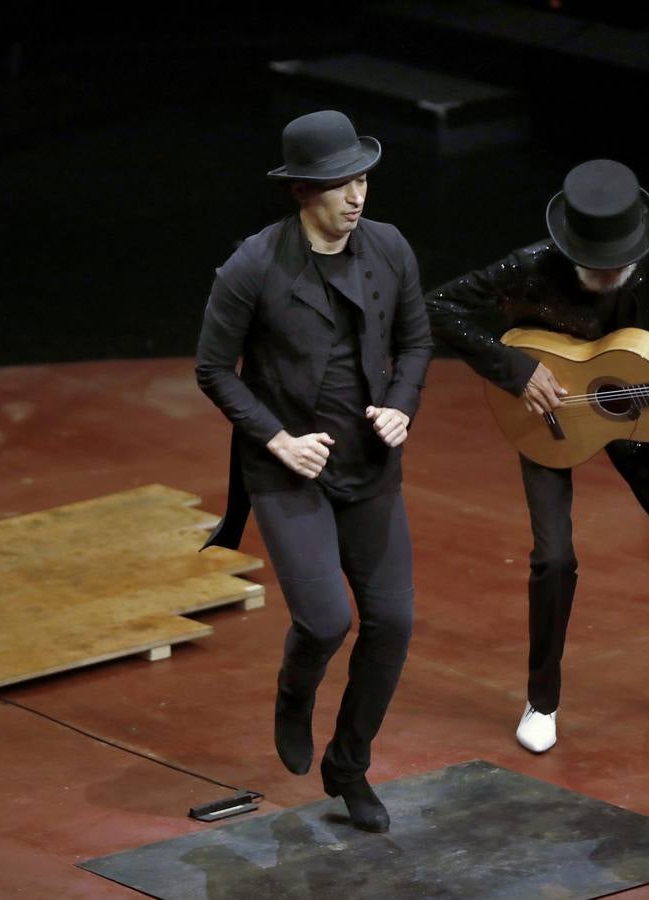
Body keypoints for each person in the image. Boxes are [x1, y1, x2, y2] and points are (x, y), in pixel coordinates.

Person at [425, 158, 649, 753]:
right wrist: (515, 369)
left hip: (631, 404)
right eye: (597, 265)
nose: (610, 273)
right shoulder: (530, 266)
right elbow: (437, 307)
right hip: (551, 411)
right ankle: (541, 701)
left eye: (618, 262)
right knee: (554, 559)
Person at [196, 110, 433, 832]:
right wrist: (275, 440)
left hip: (369, 463)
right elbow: (214, 369)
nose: (356, 196)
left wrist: (400, 407)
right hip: (288, 467)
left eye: (361, 179)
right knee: (327, 619)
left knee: (392, 621)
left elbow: (417, 342)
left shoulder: (388, 247)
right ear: (304, 191)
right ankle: (295, 694)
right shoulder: (255, 265)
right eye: (340, 184)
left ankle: (349, 762)